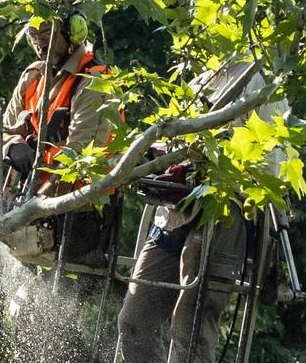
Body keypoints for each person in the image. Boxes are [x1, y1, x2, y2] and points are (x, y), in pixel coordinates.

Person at [115, 58, 289, 363]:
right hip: (175, 212)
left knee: (189, 330)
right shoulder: (197, 80)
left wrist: (223, 168)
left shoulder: (258, 80)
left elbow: (272, 168)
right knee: (133, 322)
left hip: (223, 215)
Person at [0, 0, 119, 266]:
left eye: (46, 32)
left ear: (72, 31)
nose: (40, 42)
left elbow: (76, 159)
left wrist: (29, 211)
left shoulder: (94, 81)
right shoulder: (33, 77)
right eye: (33, 34)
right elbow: (0, 131)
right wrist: (13, 146)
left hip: (81, 215)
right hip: (33, 206)